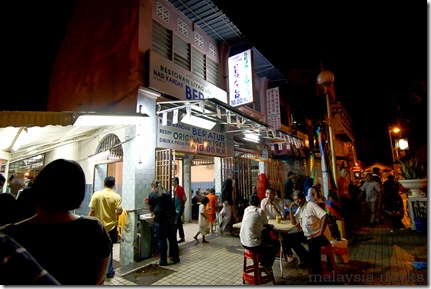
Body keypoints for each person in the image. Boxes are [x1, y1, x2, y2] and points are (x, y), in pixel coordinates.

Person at [1, 159, 111, 285]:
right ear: (79, 193)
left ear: (38, 188)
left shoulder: (8, 236)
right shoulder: (93, 229)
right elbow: (98, 281)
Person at [290, 191, 330, 278]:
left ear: (303, 198)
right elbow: (293, 223)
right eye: (295, 200)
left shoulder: (310, 205)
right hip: (308, 235)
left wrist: (321, 232)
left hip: (319, 236)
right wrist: (290, 209)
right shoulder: (300, 209)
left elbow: (324, 216)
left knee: (313, 248)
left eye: (299, 199)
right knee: (291, 238)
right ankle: (308, 259)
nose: (298, 201)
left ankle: (317, 276)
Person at [89, 176, 123, 279]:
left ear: (104, 184)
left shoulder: (96, 195)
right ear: (114, 185)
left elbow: (92, 211)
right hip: (111, 227)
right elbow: (119, 211)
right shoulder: (116, 196)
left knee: (96, 248)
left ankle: (96, 270)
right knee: (109, 248)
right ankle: (109, 271)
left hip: (97, 226)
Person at [239, 194, 280, 273]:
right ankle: (267, 265)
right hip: (253, 245)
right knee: (276, 244)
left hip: (243, 242)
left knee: (263, 239)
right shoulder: (260, 211)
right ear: (258, 203)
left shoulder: (246, 210)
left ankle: (261, 261)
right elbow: (265, 223)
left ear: (249, 203)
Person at [148, 179, 180, 266]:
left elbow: (151, 208)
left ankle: (163, 261)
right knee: (172, 239)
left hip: (160, 220)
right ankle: (175, 258)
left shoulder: (152, 194)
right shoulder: (167, 192)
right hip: (171, 219)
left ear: (153, 186)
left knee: (162, 240)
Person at [338, 166, 352, 239]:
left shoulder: (346, 180)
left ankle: (350, 231)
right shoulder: (339, 180)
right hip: (343, 199)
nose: (346, 173)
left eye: (346, 171)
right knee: (346, 216)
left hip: (347, 198)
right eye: (344, 171)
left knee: (349, 216)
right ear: (340, 172)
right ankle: (347, 232)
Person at [172, 177, 187, 243]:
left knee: (177, 220)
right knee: (178, 222)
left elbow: (184, 198)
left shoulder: (180, 188)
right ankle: (182, 237)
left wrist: (182, 204)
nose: (172, 182)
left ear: (176, 182)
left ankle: (181, 237)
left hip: (180, 207)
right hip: (176, 207)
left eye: (173, 181)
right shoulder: (174, 189)